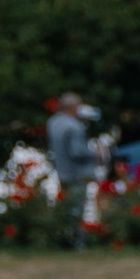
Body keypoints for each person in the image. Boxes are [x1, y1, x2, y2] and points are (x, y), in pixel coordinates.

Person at [45, 92, 98, 240]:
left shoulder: (53, 123)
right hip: (77, 173)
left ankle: (64, 237)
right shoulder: (74, 126)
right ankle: (75, 241)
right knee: (76, 208)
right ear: (74, 107)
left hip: (61, 171)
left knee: (66, 206)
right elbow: (77, 152)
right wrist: (95, 154)